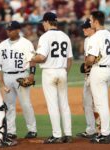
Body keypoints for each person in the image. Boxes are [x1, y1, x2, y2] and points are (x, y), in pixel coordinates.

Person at [31, 12, 73, 144]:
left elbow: (41, 57)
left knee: (53, 105)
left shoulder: (45, 37)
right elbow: (70, 59)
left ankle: (57, 135)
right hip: (62, 71)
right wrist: (65, 72)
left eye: (43, 22)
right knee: (64, 105)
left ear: (48, 22)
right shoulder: (65, 36)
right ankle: (68, 134)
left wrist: (31, 58)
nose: (42, 24)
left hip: (49, 72)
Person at [85, 10, 110, 144]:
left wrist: (87, 63)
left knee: (101, 104)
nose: (89, 22)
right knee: (102, 103)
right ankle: (106, 132)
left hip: (99, 71)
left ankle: (106, 133)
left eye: (90, 20)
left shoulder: (95, 37)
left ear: (95, 21)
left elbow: (90, 59)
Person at [0, 21, 37, 140]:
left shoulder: (26, 43)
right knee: (9, 105)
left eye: (11, 29)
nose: (8, 31)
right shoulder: (2, 45)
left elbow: (32, 60)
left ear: (18, 30)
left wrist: (31, 74)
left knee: (26, 104)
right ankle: (11, 131)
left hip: (22, 75)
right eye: (7, 29)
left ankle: (32, 130)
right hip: (7, 76)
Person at [76, 18, 100, 139]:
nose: (84, 29)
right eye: (83, 27)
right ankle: (91, 129)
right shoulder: (86, 40)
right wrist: (85, 68)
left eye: (86, 27)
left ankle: (100, 130)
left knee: (97, 104)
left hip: (97, 73)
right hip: (88, 75)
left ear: (93, 28)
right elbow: (87, 58)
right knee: (86, 104)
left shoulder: (98, 39)